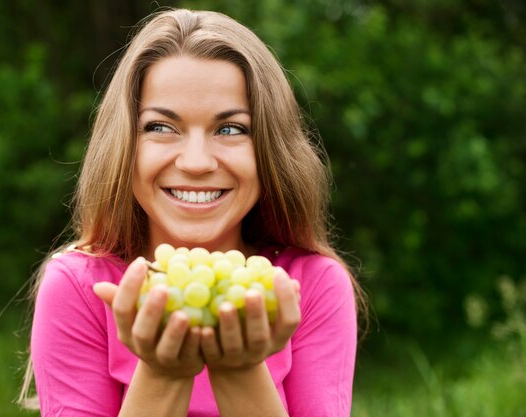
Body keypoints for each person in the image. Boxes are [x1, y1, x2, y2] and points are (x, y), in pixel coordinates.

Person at [19, 8, 365, 417]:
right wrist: (163, 375)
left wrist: (239, 371)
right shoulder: (79, 287)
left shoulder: (312, 286)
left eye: (231, 129)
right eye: (161, 127)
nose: (197, 162)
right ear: (124, 147)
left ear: (270, 151)